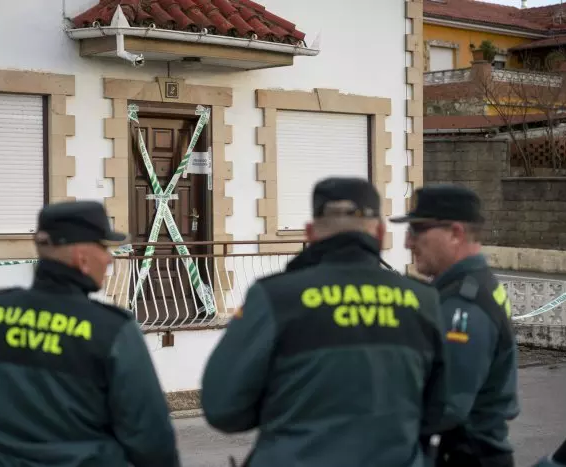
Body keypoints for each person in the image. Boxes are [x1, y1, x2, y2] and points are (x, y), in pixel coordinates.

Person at [201, 177, 450, 467]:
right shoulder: (424, 300)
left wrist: (281, 406)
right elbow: (444, 408)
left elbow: (222, 408)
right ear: (380, 234)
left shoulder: (274, 297)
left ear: (310, 233)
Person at [0, 200, 180, 467]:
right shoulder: (113, 330)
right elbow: (151, 437)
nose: (109, 259)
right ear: (82, 258)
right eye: (104, 248)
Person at [390, 184, 520, 467]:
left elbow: (446, 406)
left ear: (455, 233)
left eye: (417, 230)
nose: (408, 243)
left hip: (465, 457)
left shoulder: (463, 305)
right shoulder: (470, 286)